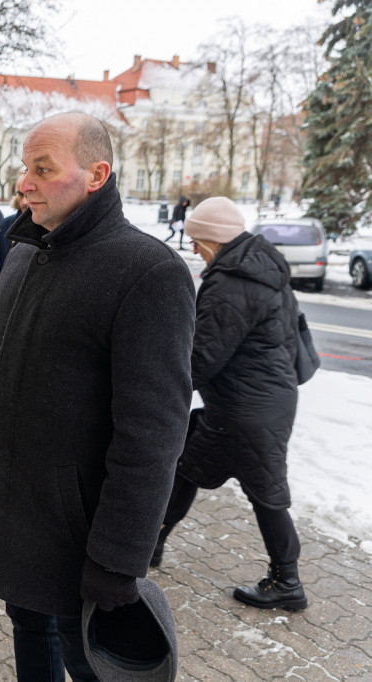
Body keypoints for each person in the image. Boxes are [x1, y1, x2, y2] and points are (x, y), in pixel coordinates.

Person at [0, 112, 196, 680]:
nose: (23, 183)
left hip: (79, 535)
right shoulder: (24, 251)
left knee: (81, 658)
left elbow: (153, 432)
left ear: (96, 175)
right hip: (15, 513)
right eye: (24, 168)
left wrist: (118, 556)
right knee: (27, 638)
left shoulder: (147, 270)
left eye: (43, 169)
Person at [153, 196, 308, 611]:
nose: (195, 250)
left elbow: (203, 356)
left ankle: (287, 582)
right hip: (263, 400)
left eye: (198, 241)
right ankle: (151, 544)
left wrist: (160, 389)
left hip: (246, 409)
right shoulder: (262, 268)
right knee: (188, 465)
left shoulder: (233, 282)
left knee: (265, 491)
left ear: (214, 240)